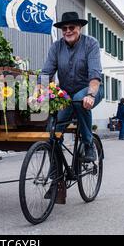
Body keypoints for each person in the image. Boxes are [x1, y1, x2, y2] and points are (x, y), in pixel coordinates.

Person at [42, 11, 103, 163]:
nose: (68, 31)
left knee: (79, 100)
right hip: (67, 95)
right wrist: (39, 91)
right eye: (64, 28)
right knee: (52, 133)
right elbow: (46, 73)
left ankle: (88, 144)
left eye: (71, 27)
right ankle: (56, 174)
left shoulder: (91, 44)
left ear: (80, 27)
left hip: (91, 90)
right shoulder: (56, 47)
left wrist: (90, 95)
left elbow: (95, 75)